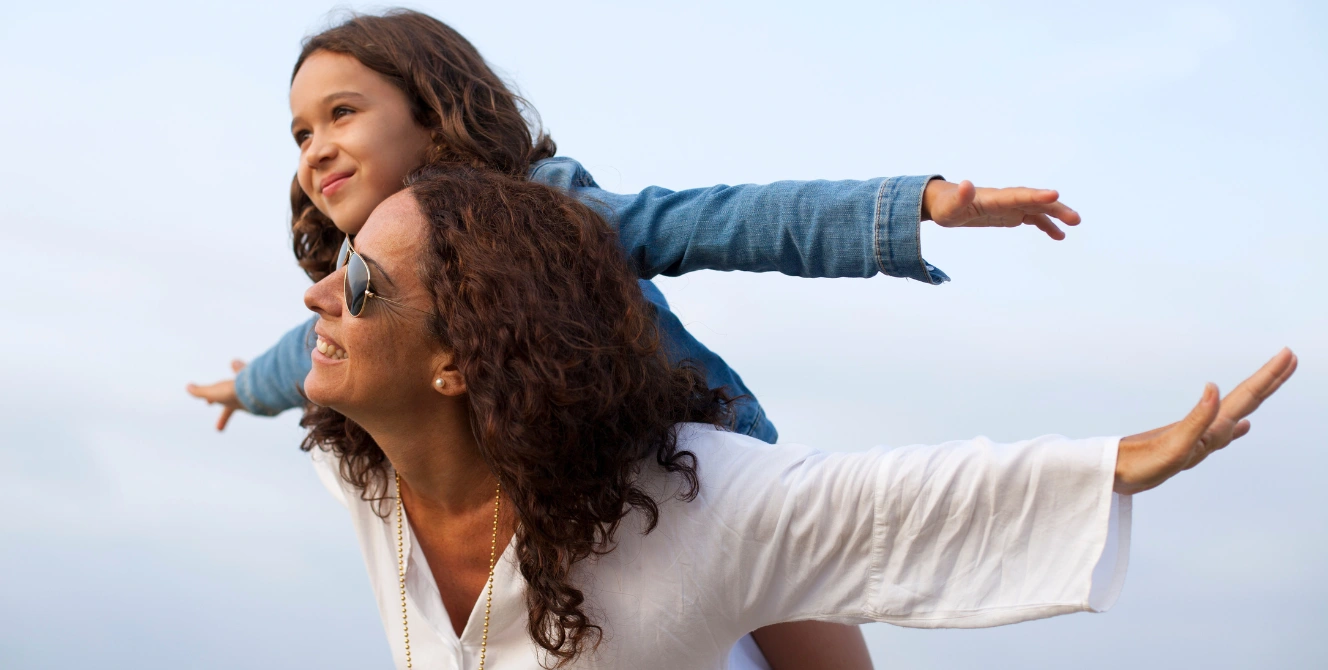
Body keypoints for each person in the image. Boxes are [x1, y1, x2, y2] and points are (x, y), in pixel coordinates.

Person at [186, 13, 1081, 662]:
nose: (314, 147)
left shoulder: (546, 215)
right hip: (568, 516)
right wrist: (243, 388)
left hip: (691, 469)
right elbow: (300, 354)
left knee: (817, 640)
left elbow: (719, 222)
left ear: (432, 110)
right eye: (300, 132)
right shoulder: (368, 280)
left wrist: (912, 208)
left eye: (342, 113)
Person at [295, 164, 1293, 670]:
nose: (318, 297)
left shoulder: (680, 507)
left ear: (460, 361)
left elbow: (886, 502)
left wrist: (1115, 462)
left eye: (360, 282)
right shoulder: (358, 469)